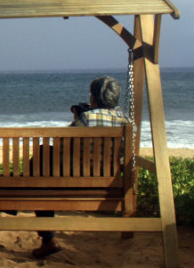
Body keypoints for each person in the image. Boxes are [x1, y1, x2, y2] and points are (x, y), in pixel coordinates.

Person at [32, 76, 130, 258]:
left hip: (74, 183)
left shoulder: (87, 118)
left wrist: (77, 118)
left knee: (42, 158)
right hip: (109, 185)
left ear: (93, 98)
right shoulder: (125, 121)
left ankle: (48, 239)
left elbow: (61, 142)